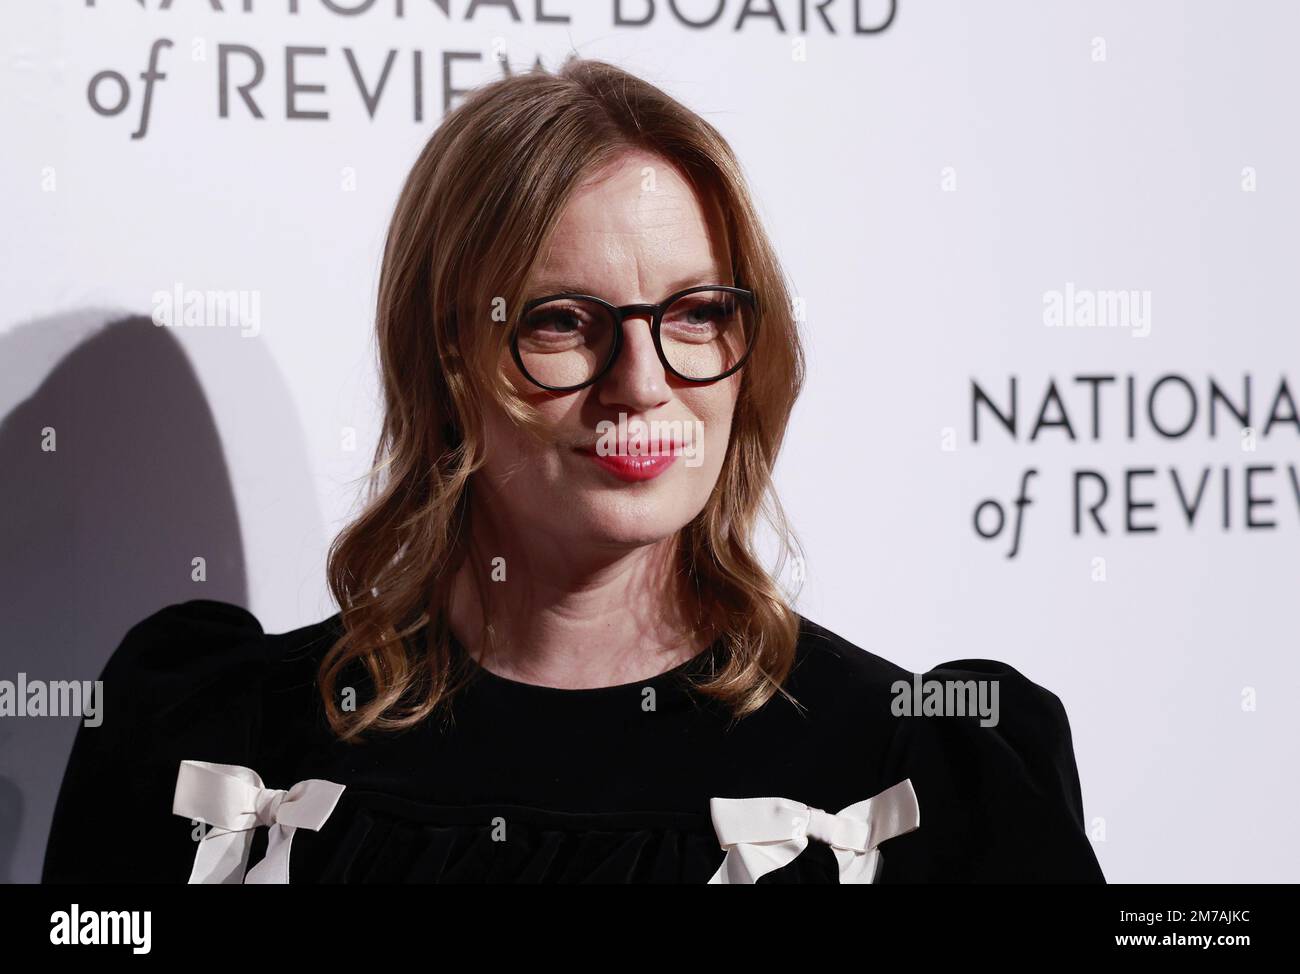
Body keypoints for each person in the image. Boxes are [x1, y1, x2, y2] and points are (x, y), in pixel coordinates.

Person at [42, 57, 1104, 884]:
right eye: (562, 321)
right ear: (447, 355)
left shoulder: (920, 772)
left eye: (696, 312)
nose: (641, 380)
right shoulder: (211, 742)